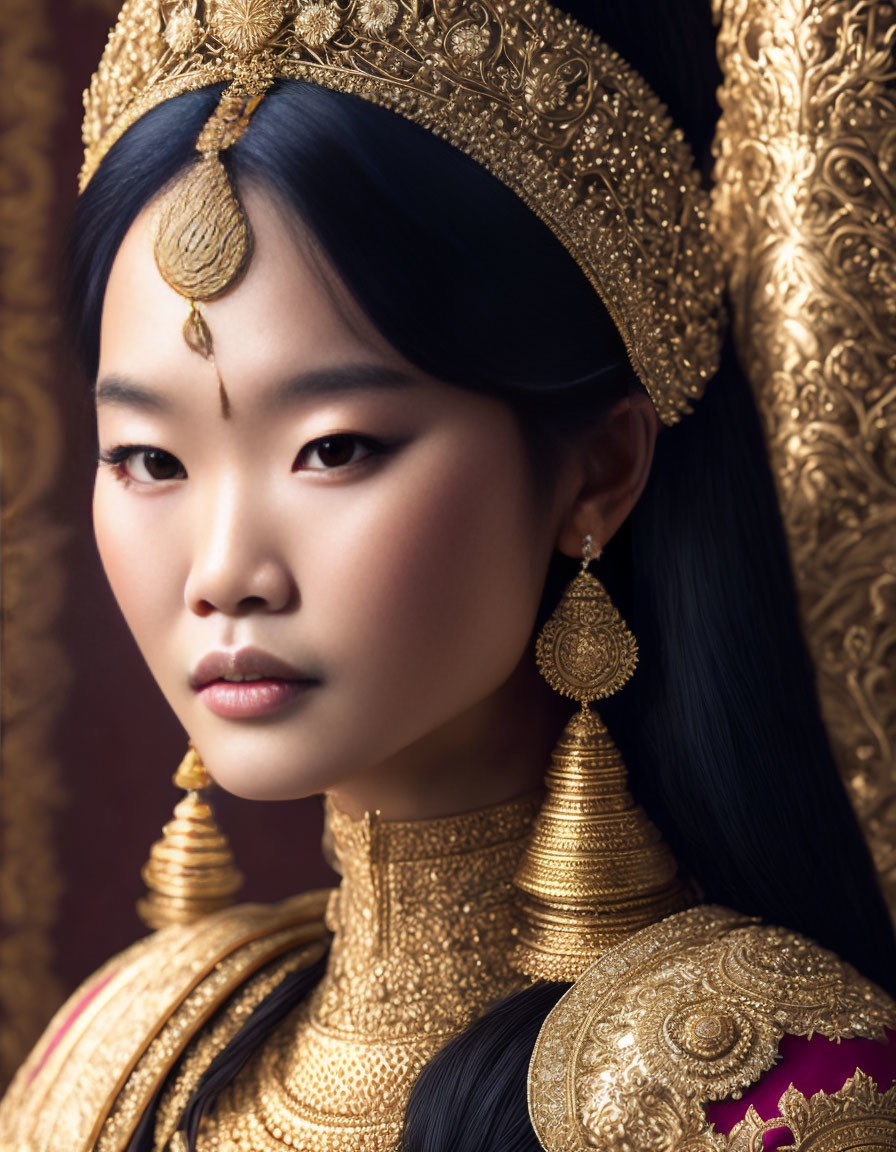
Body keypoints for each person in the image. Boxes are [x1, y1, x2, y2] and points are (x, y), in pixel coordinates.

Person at [1, 0, 895, 1149]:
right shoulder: (116, 1058)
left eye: (333, 449)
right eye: (149, 459)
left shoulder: (752, 1094)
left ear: (598, 470)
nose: (223, 573)